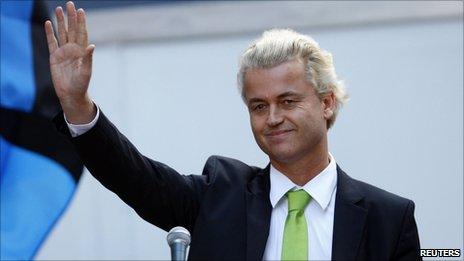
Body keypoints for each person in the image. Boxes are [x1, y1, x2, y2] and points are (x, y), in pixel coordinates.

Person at [44, 1, 421, 260]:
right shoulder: (218, 195)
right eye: (259, 106)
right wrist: (78, 104)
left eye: (288, 101)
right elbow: (134, 176)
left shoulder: (387, 219)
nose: (272, 117)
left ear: (327, 103)